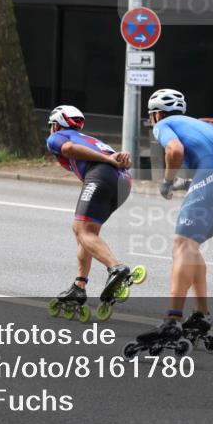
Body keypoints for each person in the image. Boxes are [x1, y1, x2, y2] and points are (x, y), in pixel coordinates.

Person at [135, 89, 213, 346]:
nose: (153, 121)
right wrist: (181, 184)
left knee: (182, 245)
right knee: (191, 246)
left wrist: (167, 180)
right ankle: (200, 315)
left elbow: (174, 150)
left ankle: (172, 321)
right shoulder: (204, 126)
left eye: (152, 116)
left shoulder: (164, 124)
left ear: (157, 114)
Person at [46, 105, 135, 314]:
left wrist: (106, 160)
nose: (51, 130)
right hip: (123, 182)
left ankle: (116, 268)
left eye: (52, 126)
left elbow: (67, 149)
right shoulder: (90, 140)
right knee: (87, 234)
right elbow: (122, 161)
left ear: (56, 125)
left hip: (101, 174)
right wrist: (121, 158)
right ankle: (79, 286)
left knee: (82, 230)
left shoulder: (58, 137)